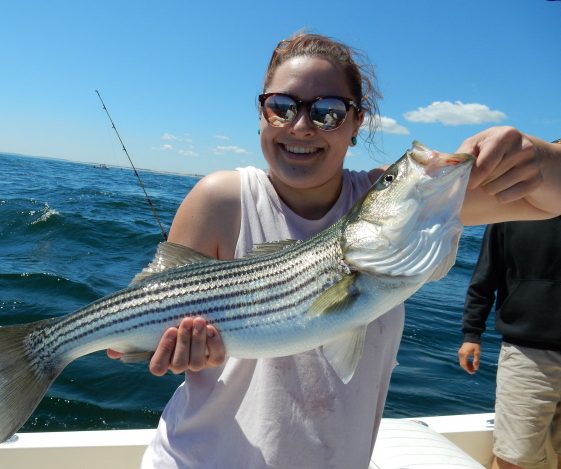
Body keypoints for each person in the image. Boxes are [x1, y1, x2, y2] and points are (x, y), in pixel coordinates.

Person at [108, 33, 561, 468]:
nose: (301, 126)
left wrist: (538, 157)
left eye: (328, 112)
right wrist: (166, 349)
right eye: (281, 107)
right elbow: (152, 308)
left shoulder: (402, 201)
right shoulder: (219, 197)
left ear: (357, 122)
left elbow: (546, 200)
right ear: (261, 114)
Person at [458, 217, 561, 469]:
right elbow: (485, 276)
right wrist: (472, 332)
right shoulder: (514, 210)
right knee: (515, 457)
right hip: (528, 354)